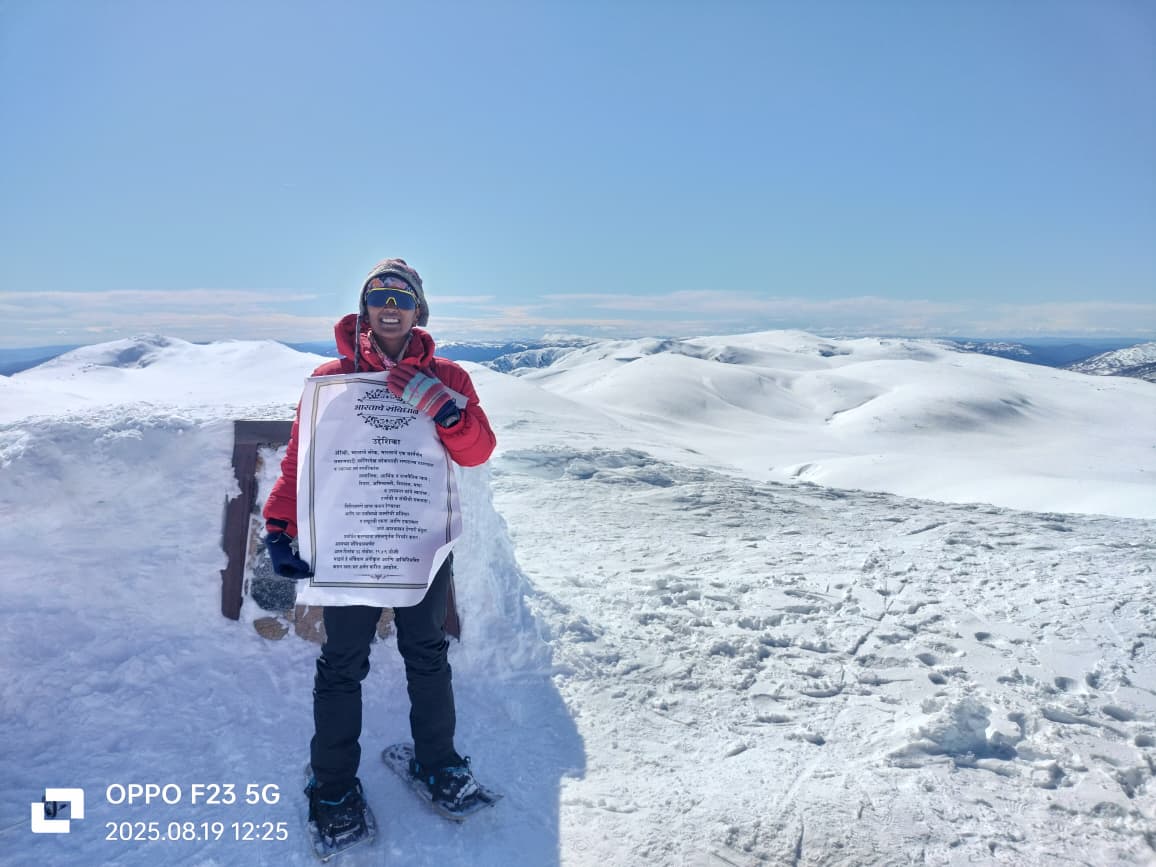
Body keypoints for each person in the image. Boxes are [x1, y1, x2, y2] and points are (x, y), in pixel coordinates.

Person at [261, 257, 496, 845]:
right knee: (342, 663)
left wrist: (445, 409)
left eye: (402, 297)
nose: (390, 306)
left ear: (419, 310)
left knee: (427, 652)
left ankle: (437, 763)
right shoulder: (331, 378)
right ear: (364, 308)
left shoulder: (450, 376)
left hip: (420, 543)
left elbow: (478, 451)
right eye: (379, 296)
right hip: (352, 543)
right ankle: (333, 784)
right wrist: (279, 526)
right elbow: (304, 462)